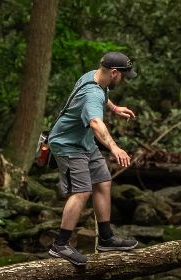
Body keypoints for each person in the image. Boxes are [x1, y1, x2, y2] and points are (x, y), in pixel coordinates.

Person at [46, 52, 139, 266]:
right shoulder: (91, 94)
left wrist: (115, 109)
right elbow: (96, 123)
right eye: (123, 76)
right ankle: (60, 245)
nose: (123, 80)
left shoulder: (95, 76)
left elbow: (103, 95)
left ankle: (106, 238)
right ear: (114, 73)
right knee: (82, 191)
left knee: (103, 182)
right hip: (67, 145)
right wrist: (115, 148)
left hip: (84, 143)